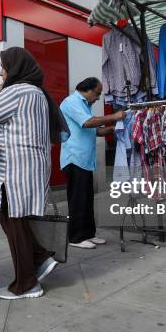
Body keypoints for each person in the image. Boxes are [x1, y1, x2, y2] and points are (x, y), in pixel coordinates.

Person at [0, 47, 70, 300]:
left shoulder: (17, 91)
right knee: (15, 221)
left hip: (14, 171)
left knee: (13, 222)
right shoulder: (37, 92)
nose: (1, 72)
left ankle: (27, 283)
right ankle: (40, 258)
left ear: (15, 68)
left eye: (4, 66)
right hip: (29, 169)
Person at [60, 77, 125, 249]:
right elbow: (88, 122)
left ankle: (88, 234)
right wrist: (114, 116)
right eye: (96, 94)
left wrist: (113, 128)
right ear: (86, 90)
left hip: (85, 160)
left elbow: (97, 131)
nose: (97, 98)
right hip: (74, 158)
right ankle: (75, 237)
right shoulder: (71, 102)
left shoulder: (85, 105)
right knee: (77, 200)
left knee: (87, 199)